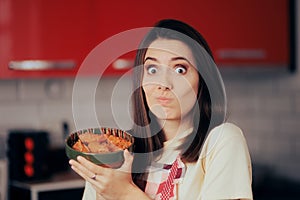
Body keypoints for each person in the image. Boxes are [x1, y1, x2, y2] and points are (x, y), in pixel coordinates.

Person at [69, 19, 253, 200]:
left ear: (203, 81)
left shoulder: (221, 141)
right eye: (152, 69)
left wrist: (125, 194)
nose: (163, 84)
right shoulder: (115, 152)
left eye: (180, 69)